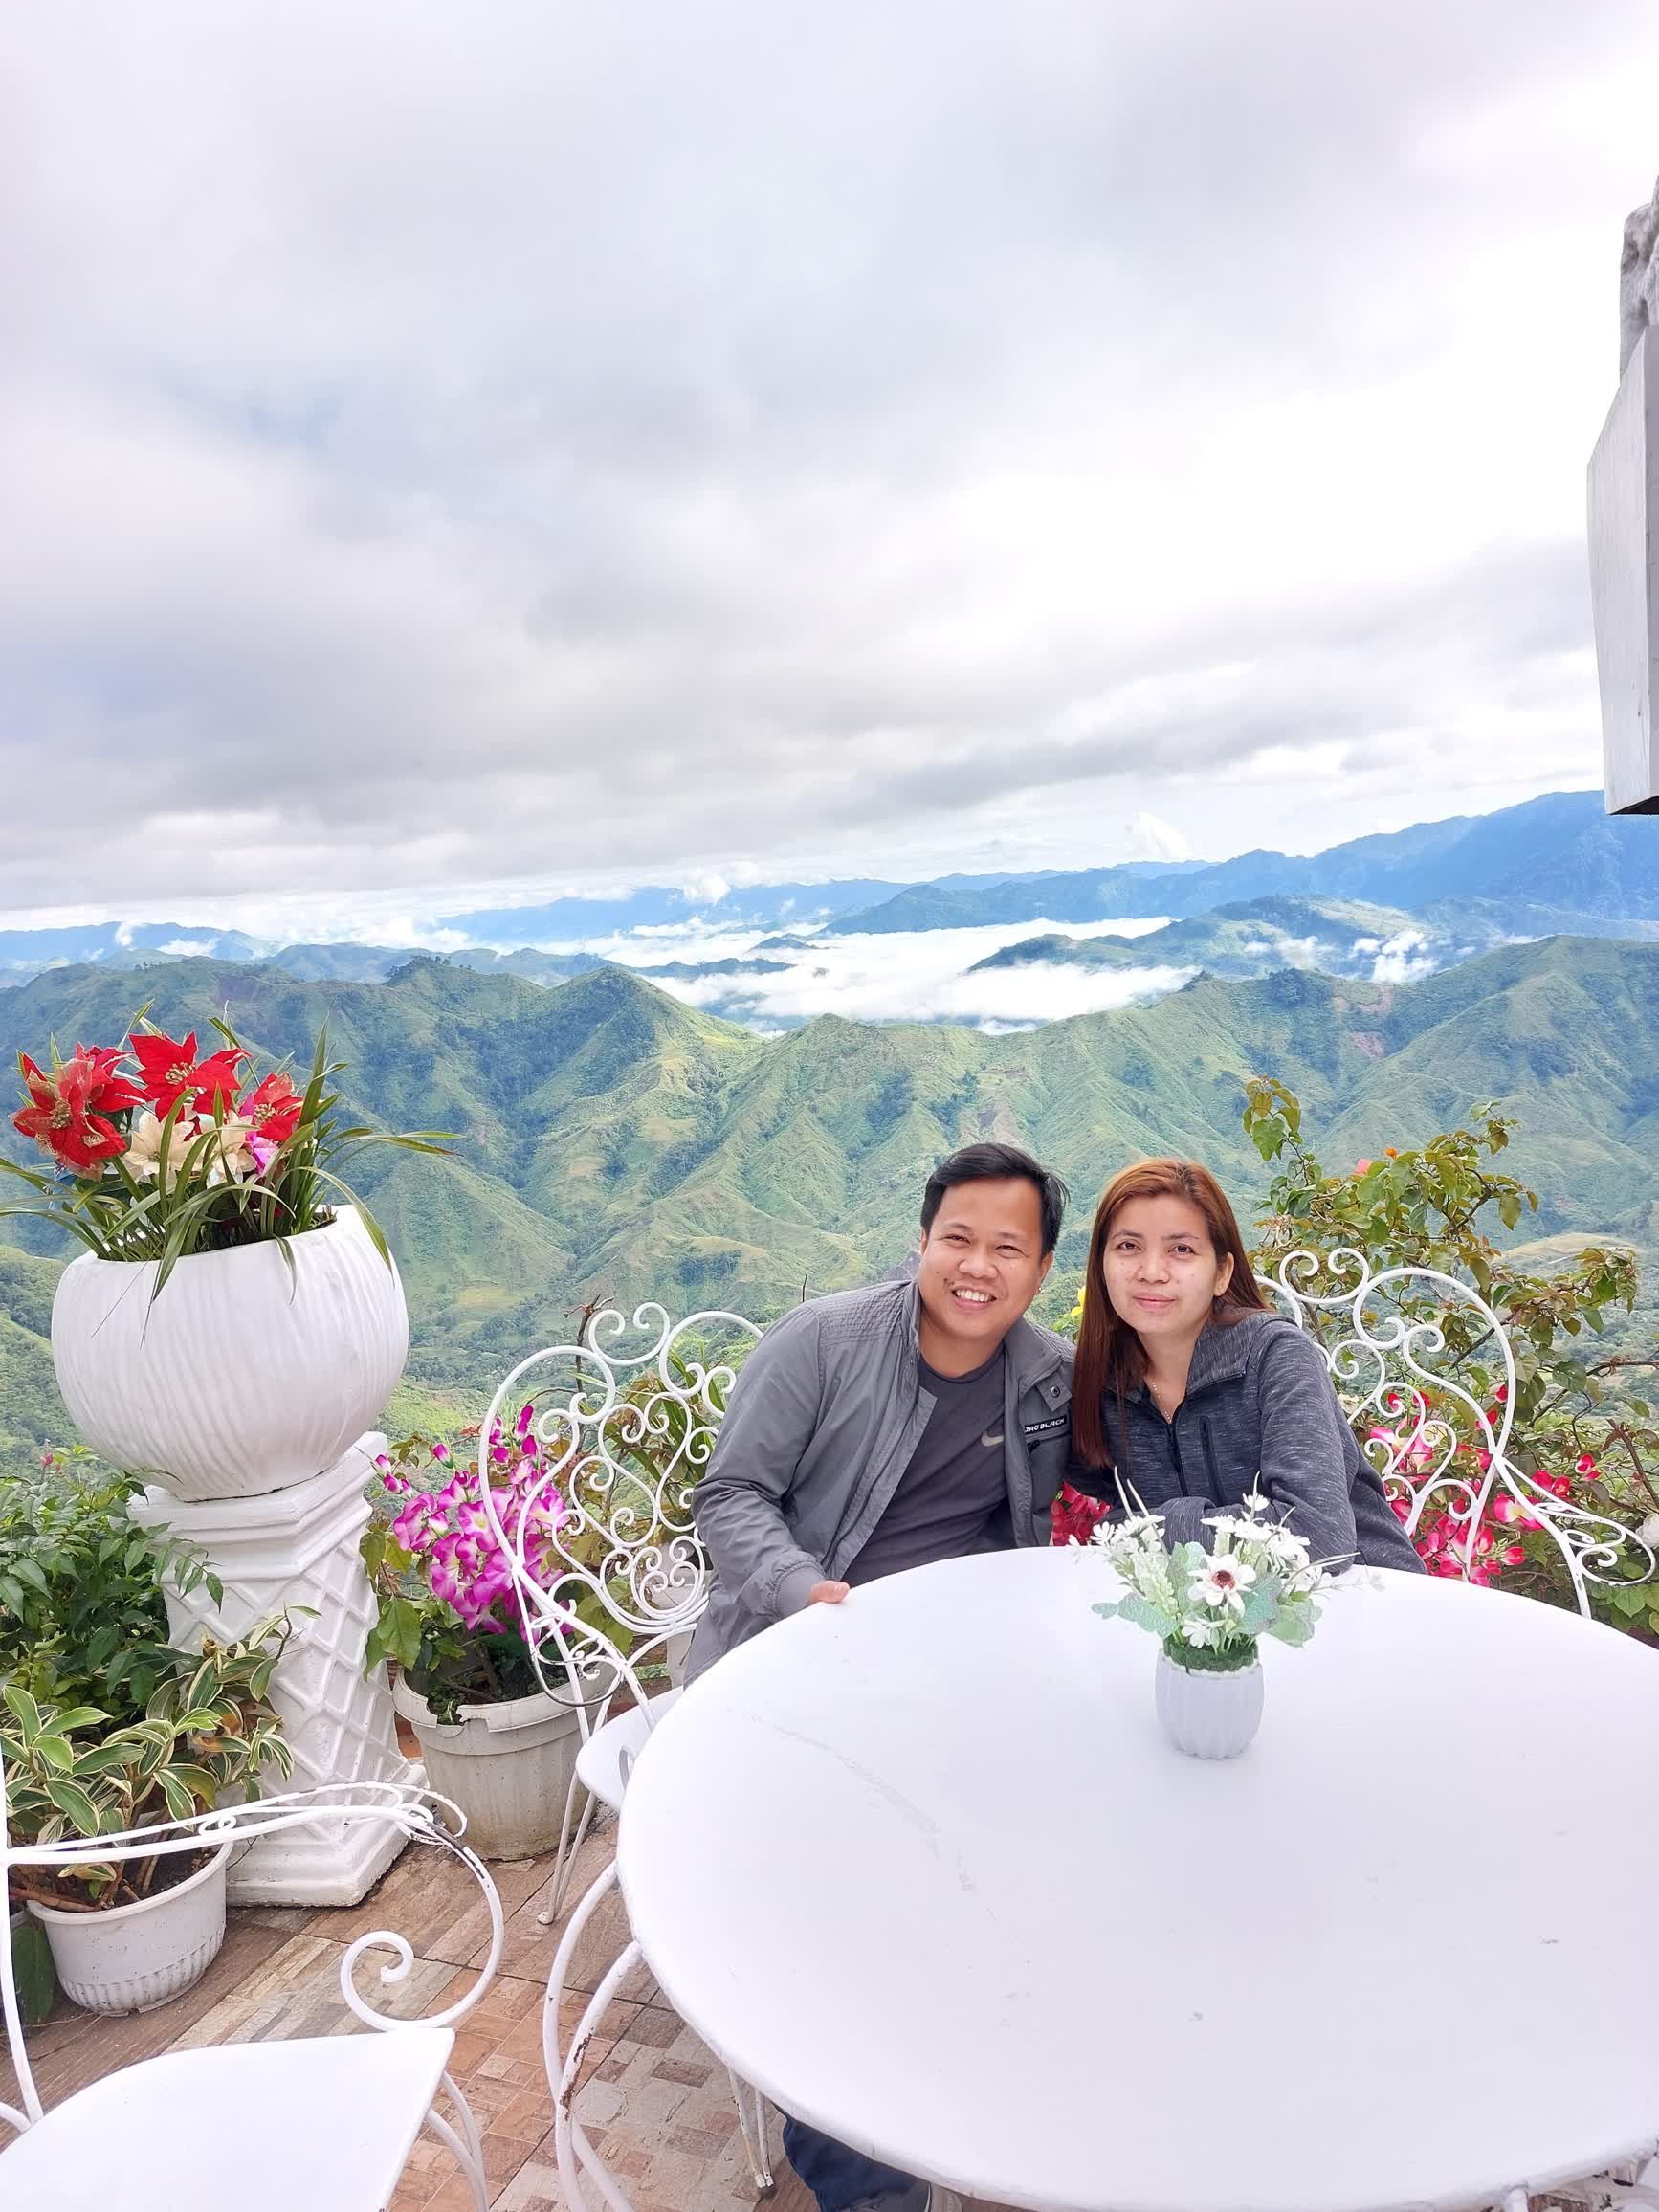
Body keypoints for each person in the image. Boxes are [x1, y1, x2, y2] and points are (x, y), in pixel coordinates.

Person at [688, 1140, 1074, 2212]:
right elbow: (730, 1495)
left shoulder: (1045, 1375)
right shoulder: (823, 1341)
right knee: (831, 1918)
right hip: (790, 1669)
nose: (977, 1267)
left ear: (1043, 1268)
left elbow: (1095, 1479)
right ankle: (867, 2182)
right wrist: (801, 1592)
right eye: (958, 1238)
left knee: (1034, 1852)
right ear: (922, 1240)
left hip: (943, 1682)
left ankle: (1003, 2070)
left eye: (1008, 1248)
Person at [1067, 1157, 1423, 1571]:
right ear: (1101, 1265)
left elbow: (1318, 1537)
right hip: (1208, 1606)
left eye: (1181, 1249)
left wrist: (1143, 1530)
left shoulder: (1274, 1356)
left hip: (1361, 1592)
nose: (1152, 1271)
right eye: (1129, 1246)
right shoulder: (1103, 1381)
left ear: (1222, 1273)